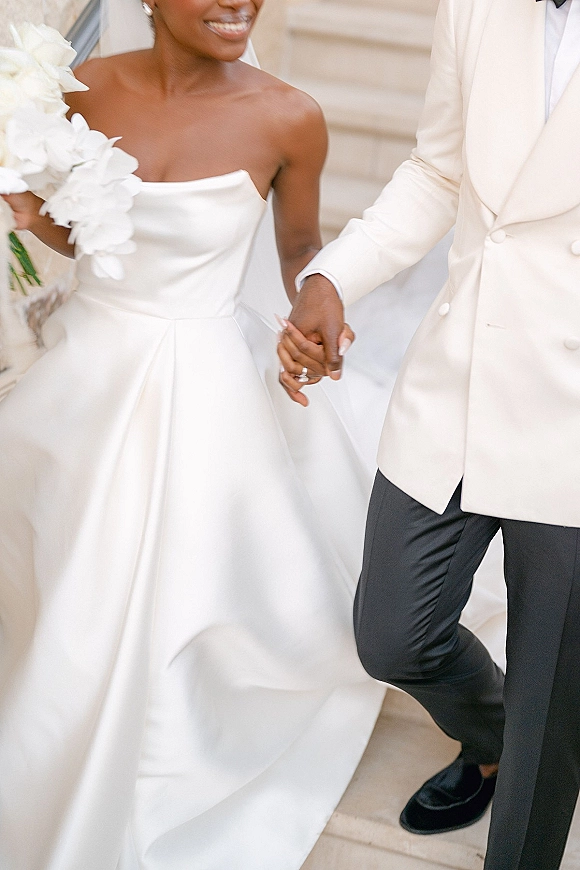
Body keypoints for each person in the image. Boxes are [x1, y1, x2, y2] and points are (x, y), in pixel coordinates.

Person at [0, 2, 387, 868]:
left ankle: (155, 759)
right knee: (59, 569)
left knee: (164, 581)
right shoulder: (81, 86)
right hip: (84, 372)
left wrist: (314, 303)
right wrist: (27, 212)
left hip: (203, 385)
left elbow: (299, 250)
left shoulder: (290, 116)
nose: (237, 1)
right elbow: (90, 234)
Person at [279, 0, 580, 868]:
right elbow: (438, 171)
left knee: (553, 691)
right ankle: (494, 732)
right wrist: (333, 275)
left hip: (569, 407)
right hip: (462, 374)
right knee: (393, 634)